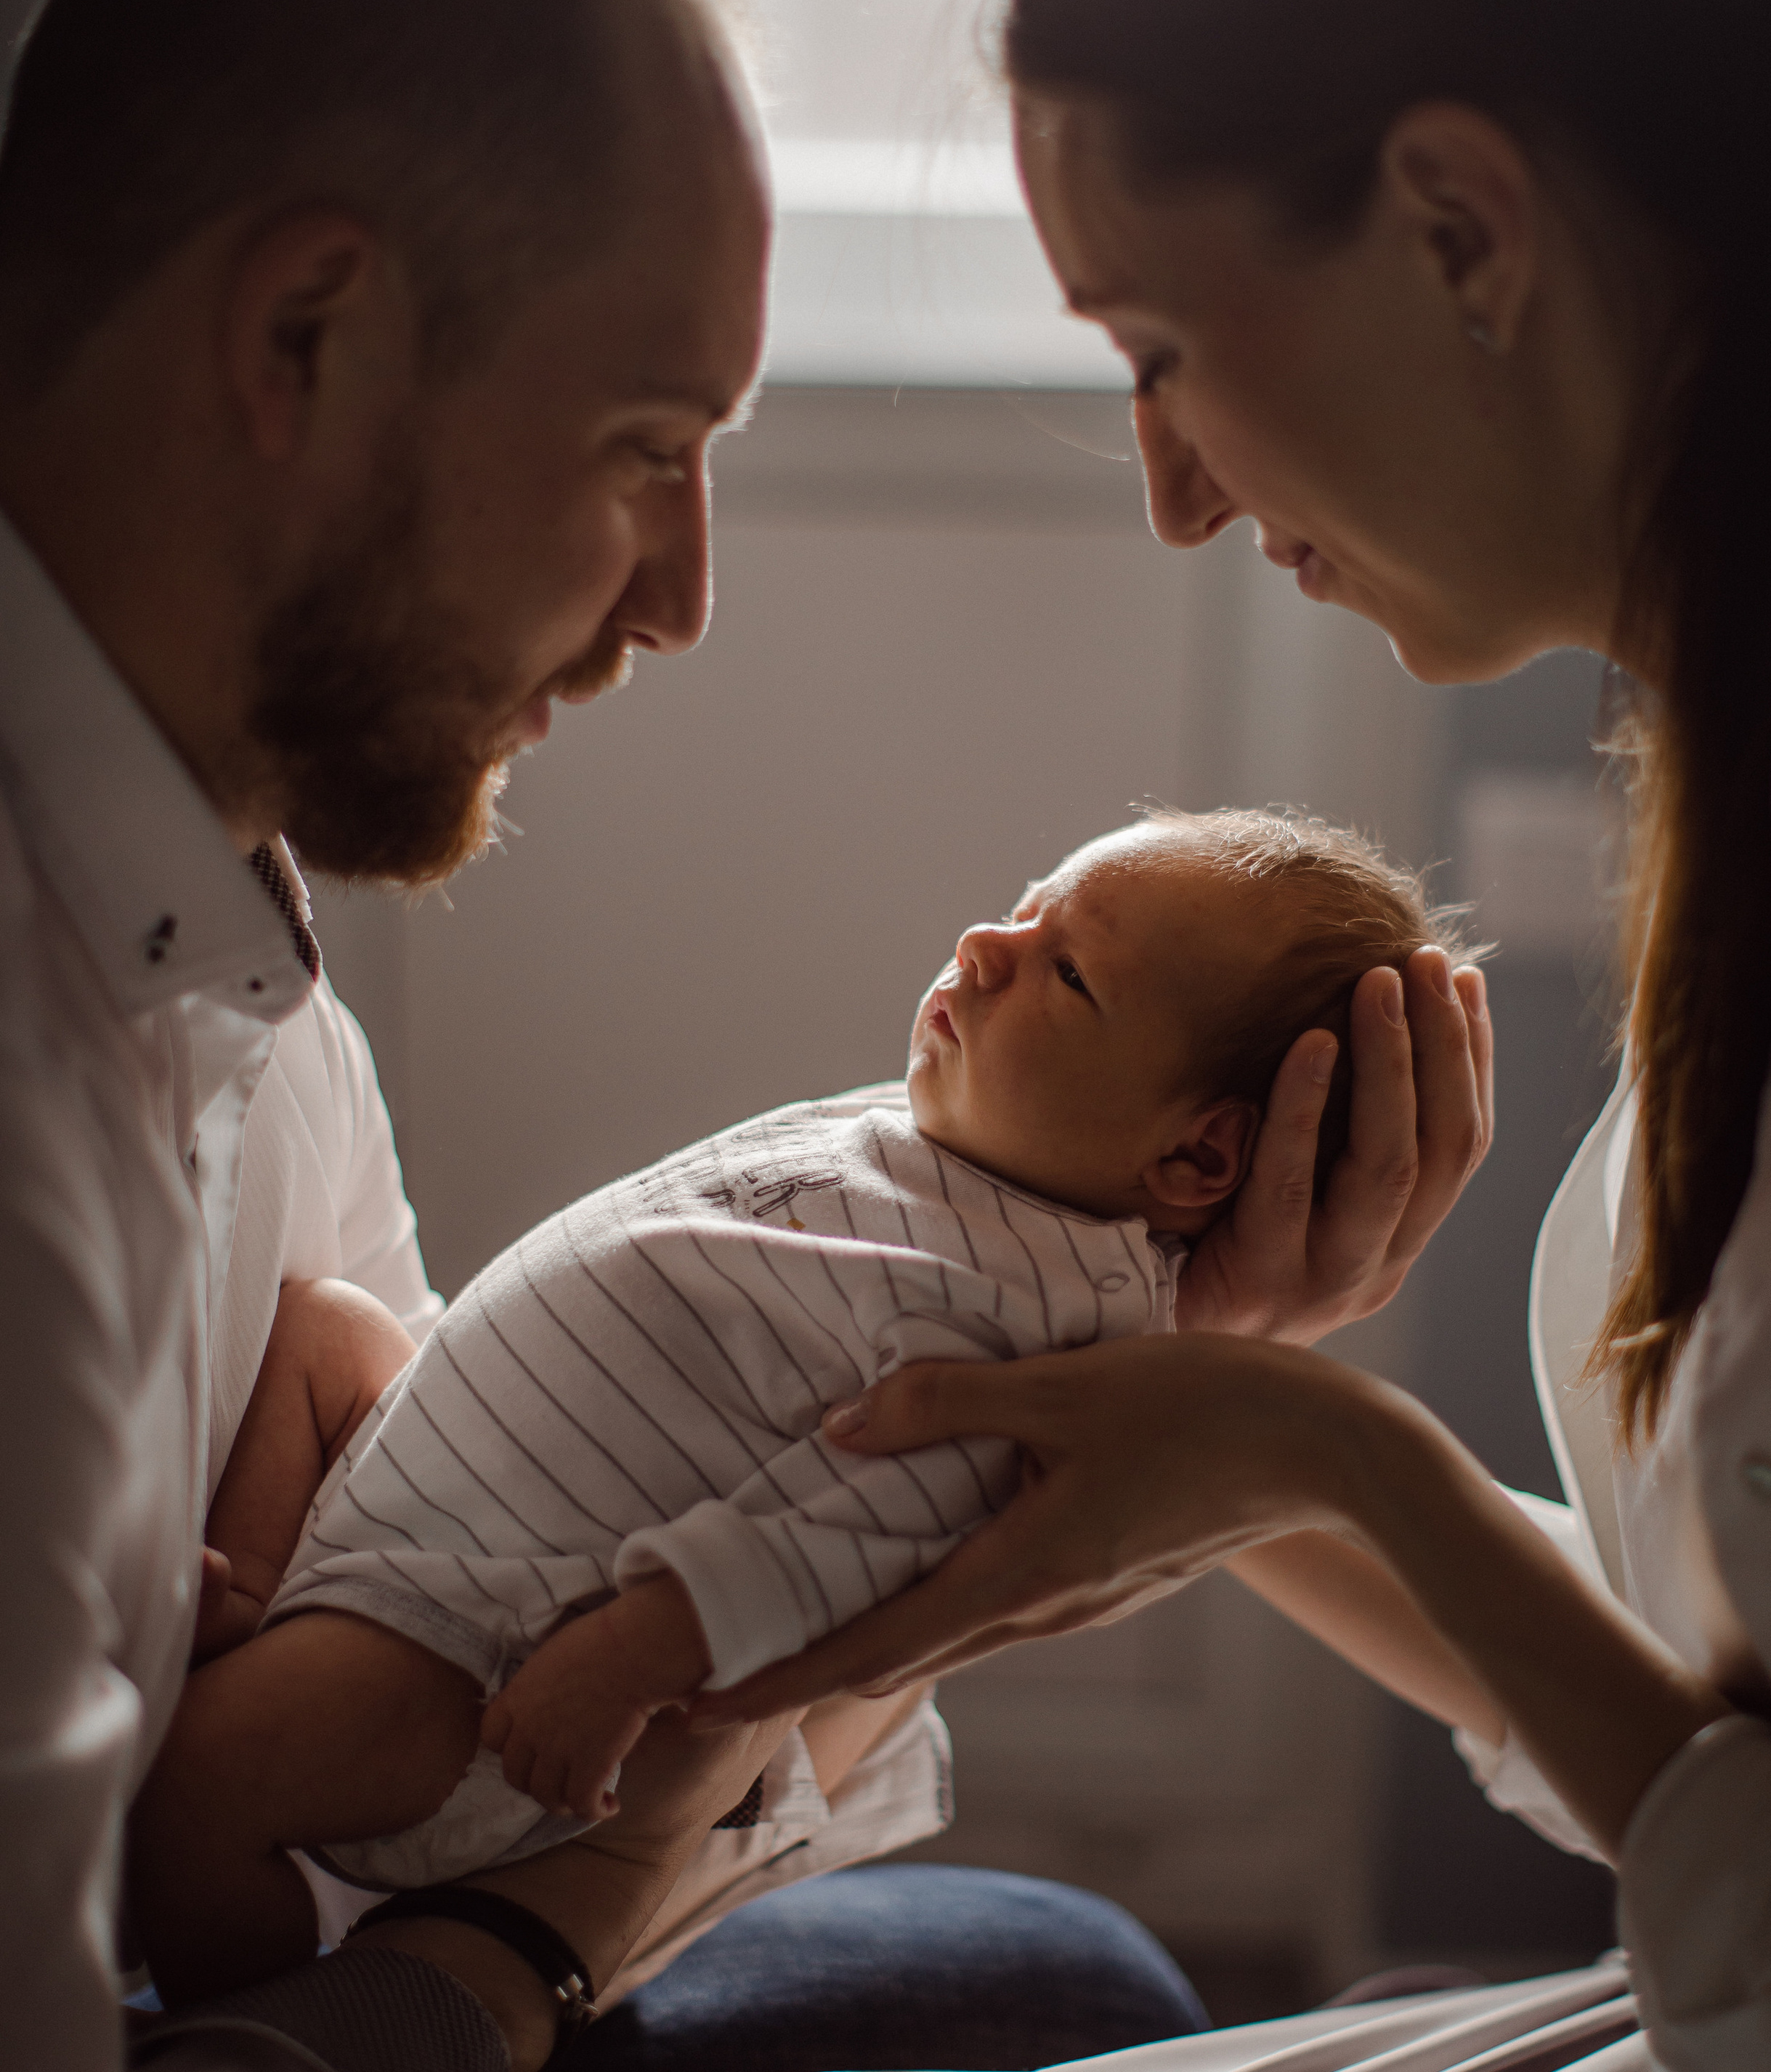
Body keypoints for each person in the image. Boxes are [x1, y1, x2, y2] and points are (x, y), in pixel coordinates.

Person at [609, 0, 1771, 2072]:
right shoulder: (1767, 751)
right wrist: (1223, 1426)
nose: (1167, 487)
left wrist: (1328, 1460)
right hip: (1768, 2062)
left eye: (1162, 344)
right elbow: (1751, 1706)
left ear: (1457, 226)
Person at [0, 0, 1236, 2072]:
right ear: (303, 340)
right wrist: (533, 1954)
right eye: (645, 450)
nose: (678, 599)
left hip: (253, 1958)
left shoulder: (216, 938)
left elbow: (478, 1514)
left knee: (1092, 2007)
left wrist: (1086, 1388)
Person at [131, 811, 1472, 2011]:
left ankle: (261, 2031)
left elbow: (871, 1530)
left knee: (188, 1805)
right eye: (1026, 904)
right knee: (327, 1327)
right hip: (427, 1488)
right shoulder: (949, 1150)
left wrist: (645, 1647)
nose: (986, 947)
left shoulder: (1040, 1322)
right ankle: (262, 1602)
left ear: (1195, 1154)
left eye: (1068, 973)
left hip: (484, 1644)